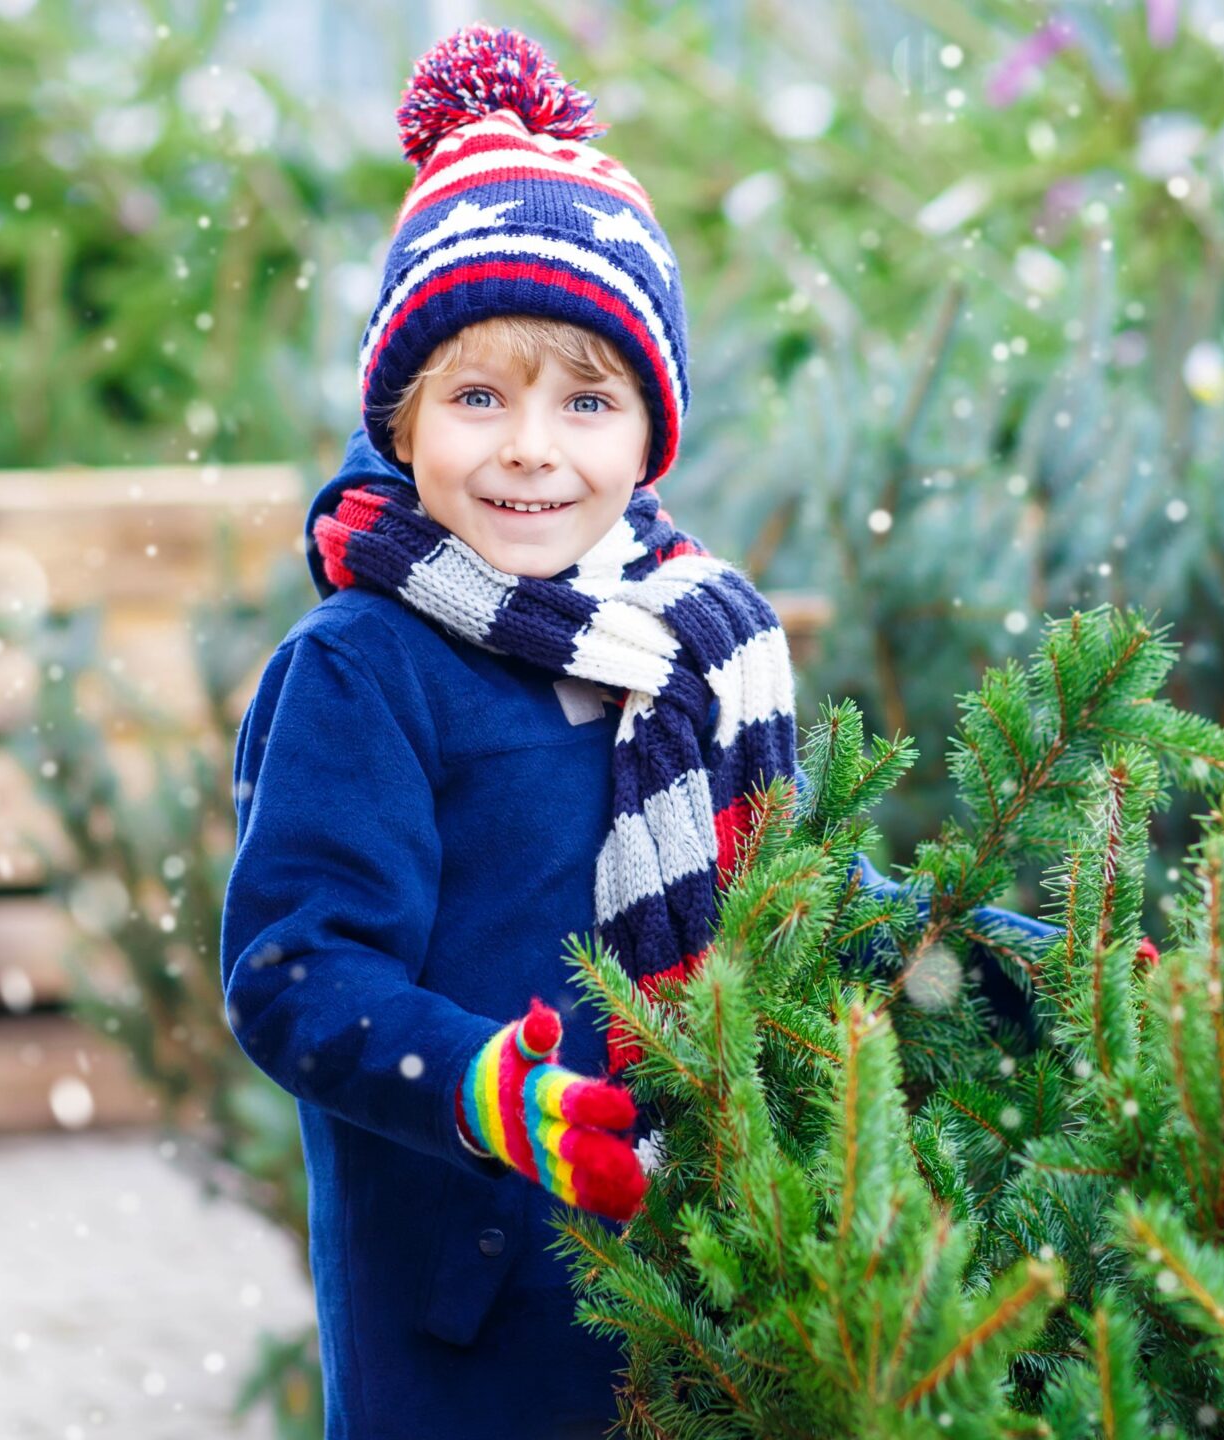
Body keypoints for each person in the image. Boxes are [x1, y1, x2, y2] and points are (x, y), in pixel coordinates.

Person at [218, 25, 1055, 1436]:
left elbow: (777, 904)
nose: (532, 446)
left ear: (649, 433)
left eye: (586, 399)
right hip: (477, 1324)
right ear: (403, 421)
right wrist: (498, 1095)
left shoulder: (687, 651)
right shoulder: (364, 668)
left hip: (708, 1293)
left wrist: (1002, 958)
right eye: (478, 395)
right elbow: (297, 975)